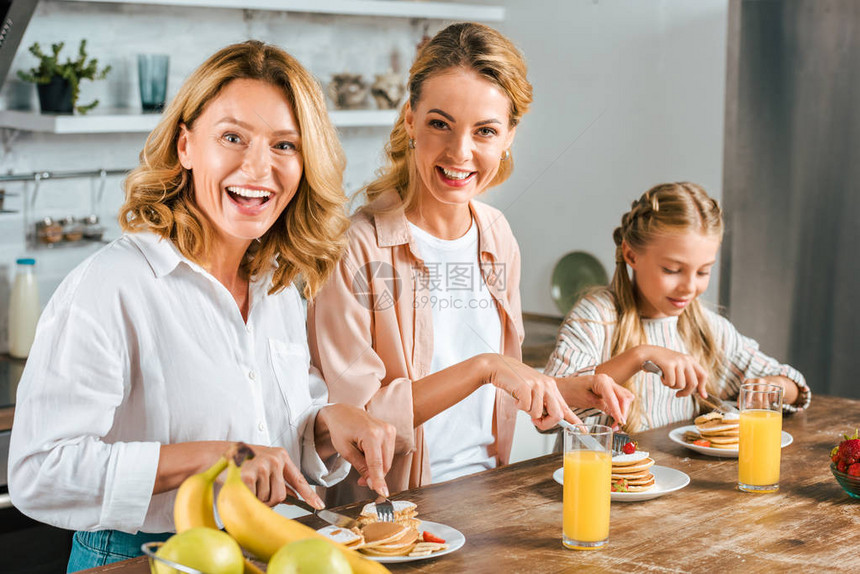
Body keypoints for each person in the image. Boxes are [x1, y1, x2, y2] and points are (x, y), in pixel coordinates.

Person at [8, 41, 395, 572]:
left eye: (285, 145)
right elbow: (39, 472)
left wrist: (326, 426)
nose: (259, 166)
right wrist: (216, 457)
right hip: (138, 557)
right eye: (232, 137)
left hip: (264, 549)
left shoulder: (276, 285)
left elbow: (268, 438)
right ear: (186, 146)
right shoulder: (113, 285)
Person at [308, 22, 632, 505]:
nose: (460, 152)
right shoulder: (355, 248)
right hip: (396, 517)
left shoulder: (497, 236)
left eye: (485, 131)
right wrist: (485, 366)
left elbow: (495, 388)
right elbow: (356, 423)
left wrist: (566, 390)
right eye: (440, 123)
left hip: (492, 496)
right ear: (409, 121)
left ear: (508, 137)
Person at [545, 182, 810, 432]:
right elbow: (549, 405)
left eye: (703, 272)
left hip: (682, 479)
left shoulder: (707, 328)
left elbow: (795, 388)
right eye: (672, 270)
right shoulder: (596, 317)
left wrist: (767, 387)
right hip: (600, 480)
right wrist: (640, 356)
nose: (689, 287)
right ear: (631, 255)